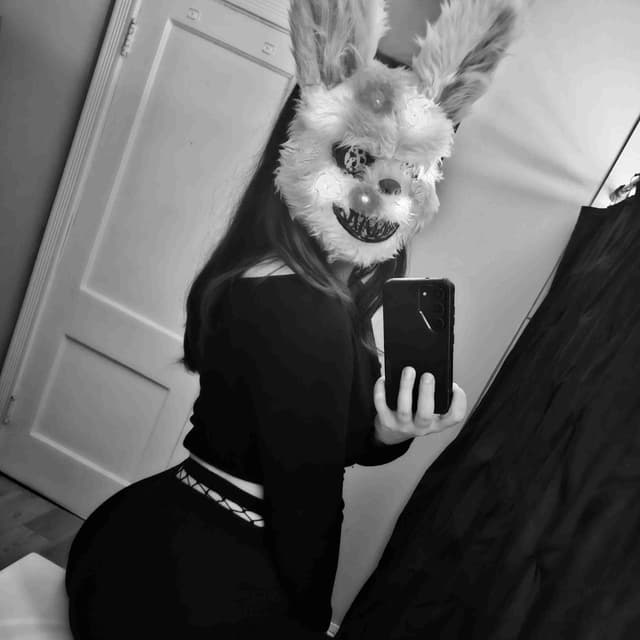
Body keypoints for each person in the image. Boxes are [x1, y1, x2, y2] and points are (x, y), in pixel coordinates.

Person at [65, 0, 520, 637]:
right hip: (201, 573)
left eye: (415, 169)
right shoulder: (307, 310)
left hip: (155, 531)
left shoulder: (266, 274)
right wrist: (311, 621)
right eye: (359, 159)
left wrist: (391, 429)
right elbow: (306, 504)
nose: (388, 191)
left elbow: (317, 434)